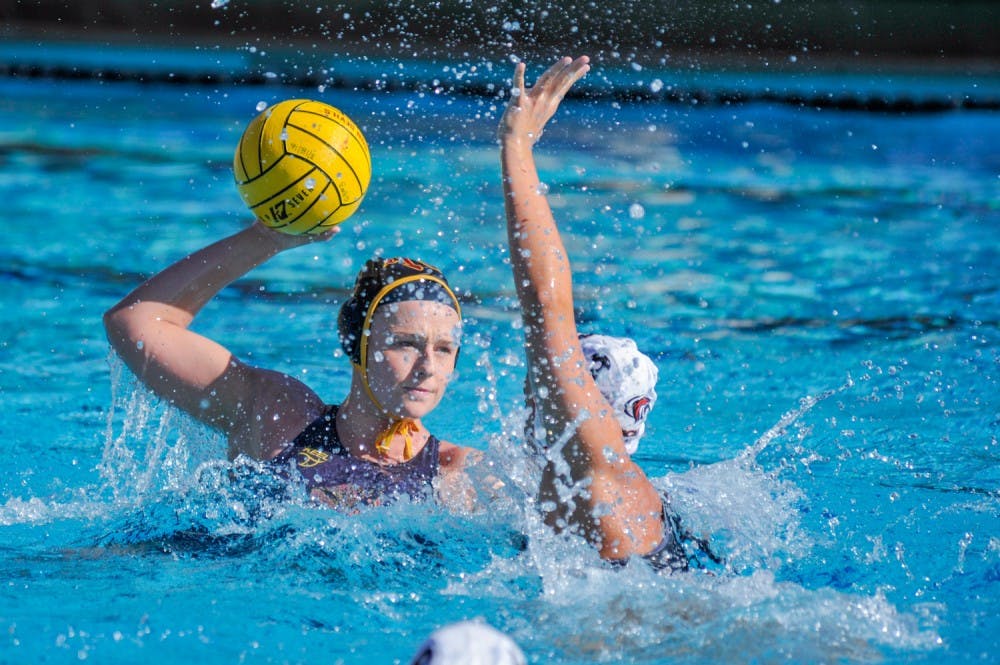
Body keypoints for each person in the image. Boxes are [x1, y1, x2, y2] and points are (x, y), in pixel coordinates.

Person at [104, 223, 475, 508]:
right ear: (355, 346)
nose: (428, 366)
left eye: (444, 349)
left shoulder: (456, 472)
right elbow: (135, 324)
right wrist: (264, 239)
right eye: (406, 344)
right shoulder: (280, 416)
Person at [498, 56, 696, 570]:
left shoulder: (592, 474)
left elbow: (547, 309)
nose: (535, 386)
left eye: (551, 383)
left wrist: (517, 148)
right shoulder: (625, 491)